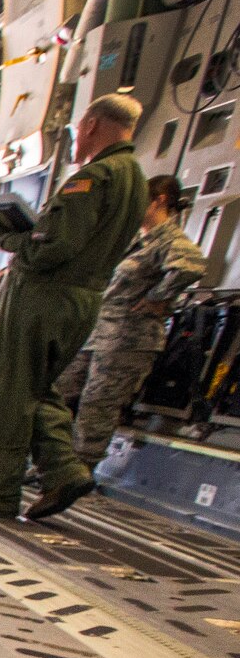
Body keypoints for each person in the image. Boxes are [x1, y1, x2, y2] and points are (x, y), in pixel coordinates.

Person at [0, 94, 150, 520]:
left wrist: (3, 237)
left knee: (1, 391)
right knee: (37, 390)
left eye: (80, 127)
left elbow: (50, 249)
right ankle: (63, 472)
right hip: (84, 300)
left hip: (43, 297)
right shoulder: (135, 178)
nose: (78, 136)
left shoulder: (94, 177)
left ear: (93, 124)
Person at [55, 174, 206, 467]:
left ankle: (78, 471)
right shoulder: (136, 239)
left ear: (160, 201)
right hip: (97, 334)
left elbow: (192, 266)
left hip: (128, 338)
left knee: (98, 405)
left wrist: (157, 297)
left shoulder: (169, 239)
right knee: (60, 392)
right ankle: (54, 463)